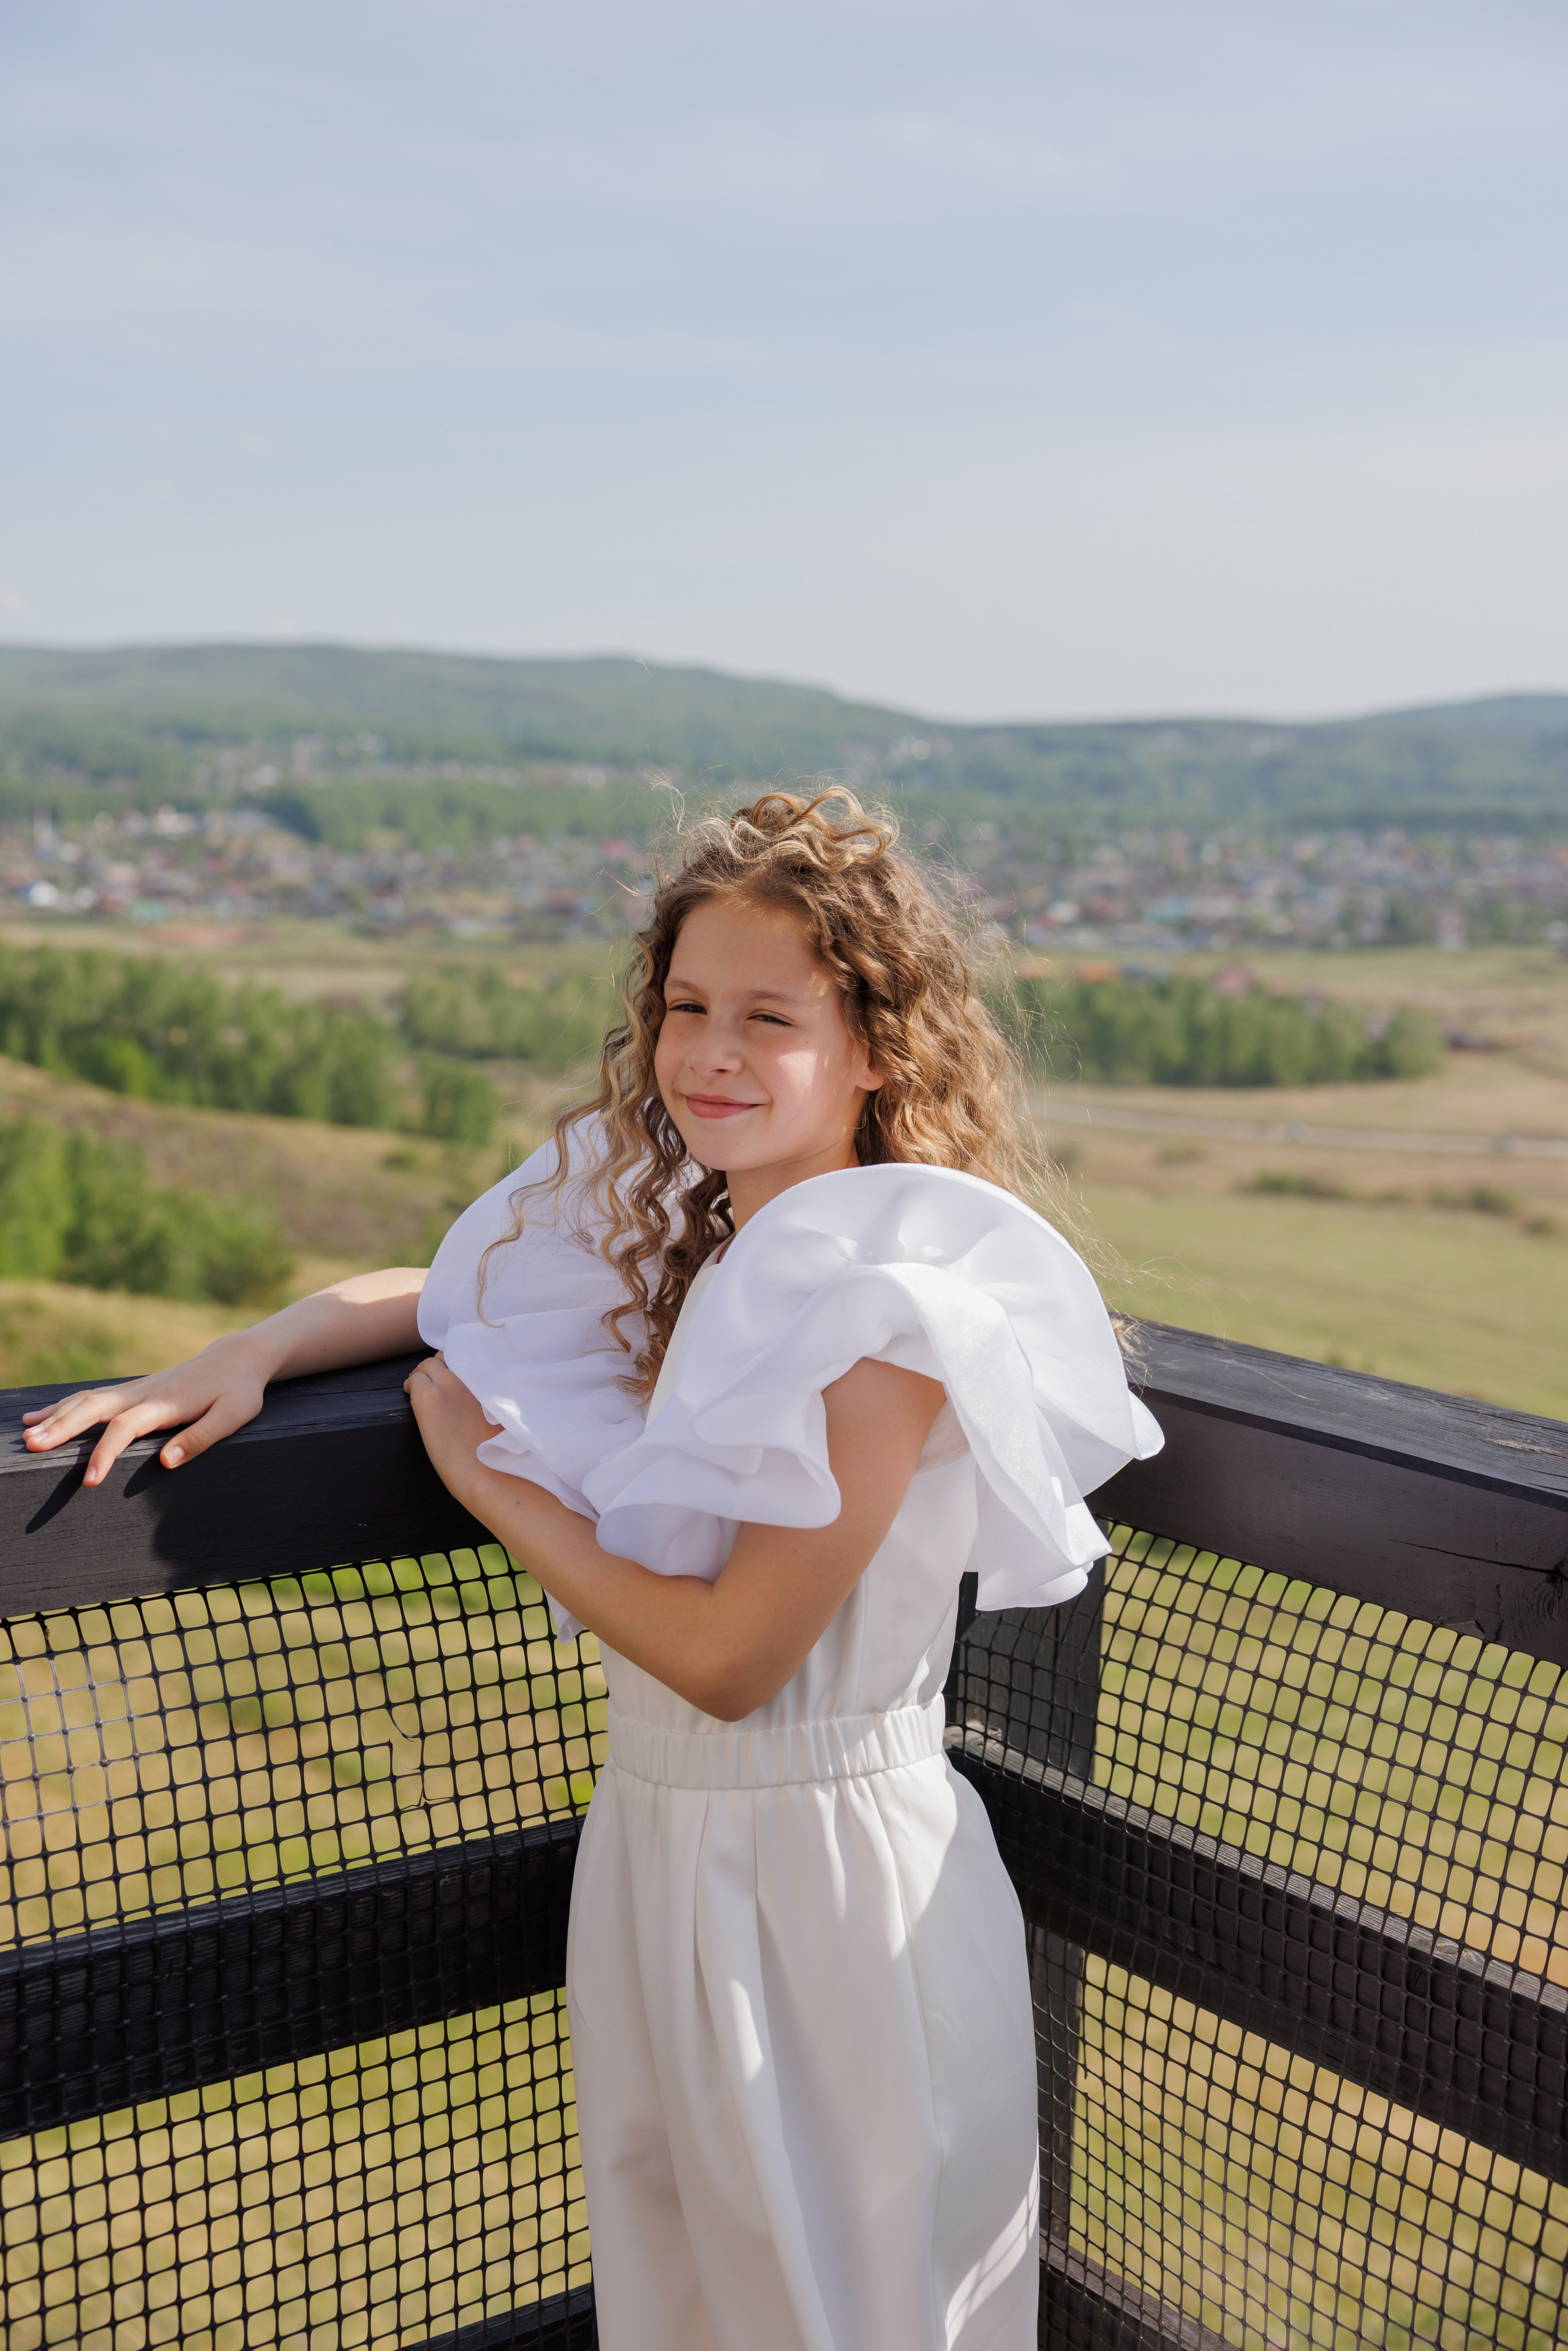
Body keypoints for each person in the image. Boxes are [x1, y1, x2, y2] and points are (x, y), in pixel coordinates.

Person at [23, 791, 1161, 2351]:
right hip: (657, 1850)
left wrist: (491, 1486)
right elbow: (447, 1295)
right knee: (688, 2295)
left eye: (771, 1017)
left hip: (825, 1877)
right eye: (687, 1005)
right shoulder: (702, 1246)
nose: (710, 1051)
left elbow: (728, 1658)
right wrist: (258, 1346)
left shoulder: (886, 1311)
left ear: (876, 1049)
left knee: (840, 2310)